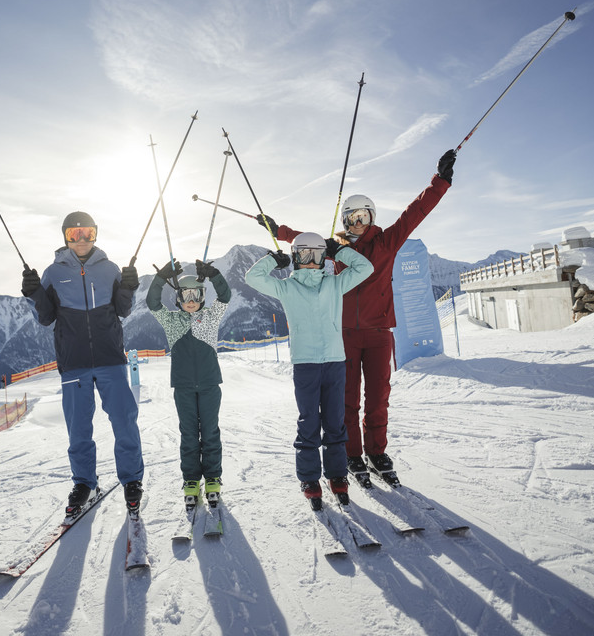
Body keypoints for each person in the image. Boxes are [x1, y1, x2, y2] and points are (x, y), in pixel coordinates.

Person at [257, 150, 455, 484]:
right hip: (344, 334)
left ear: (372, 217)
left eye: (364, 216)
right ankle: (352, 454)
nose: (358, 223)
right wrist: (279, 231)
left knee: (378, 396)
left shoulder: (387, 242)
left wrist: (440, 181)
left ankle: (377, 451)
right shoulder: (332, 247)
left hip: (379, 332)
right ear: (345, 220)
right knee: (347, 399)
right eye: (352, 217)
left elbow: (414, 214)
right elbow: (304, 241)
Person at [21, 211, 145, 516]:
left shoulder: (110, 268)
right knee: (78, 427)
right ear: (65, 237)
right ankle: (84, 482)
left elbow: (123, 310)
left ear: (95, 234)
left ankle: (131, 479)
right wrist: (35, 292)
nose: (81, 240)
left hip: (110, 357)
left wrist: (128, 287)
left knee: (123, 419)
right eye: (74, 235)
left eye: (87, 233)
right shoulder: (52, 272)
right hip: (73, 361)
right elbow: (46, 317)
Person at [245, 231, 374, 507]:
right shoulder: (287, 288)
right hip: (305, 365)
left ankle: (337, 475)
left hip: (335, 363)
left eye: (317, 255)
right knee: (309, 422)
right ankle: (309, 477)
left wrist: (339, 251)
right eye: (305, 255)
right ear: (295, 258)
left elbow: (366, 268)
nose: (312, 261)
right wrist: (272, 260)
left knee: (335, 421)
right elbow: (252, 278)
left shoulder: (335, 284)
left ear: (324, 258)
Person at [147, 259, 231, 507]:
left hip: (209, 386)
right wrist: (161, 278)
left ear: (203, 296)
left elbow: (225, 296)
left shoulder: (210, 317)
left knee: (210, 432)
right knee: (189, 435)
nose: (191, 299)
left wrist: (214, 274)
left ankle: (213, 477)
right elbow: (152, 303)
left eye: (196, 294)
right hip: (183, 388)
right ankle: (191, 480)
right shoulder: (172, 322)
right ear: (179, 298)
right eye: (185, 295)